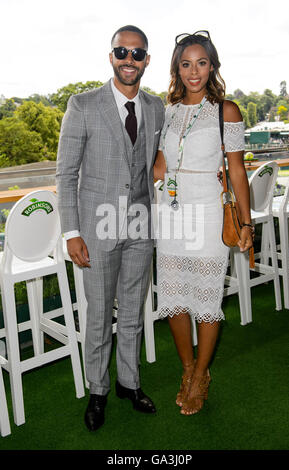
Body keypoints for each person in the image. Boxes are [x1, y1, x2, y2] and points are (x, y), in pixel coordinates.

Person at [56, 25, 165, 431]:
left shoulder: (155, 108)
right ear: (111, 56)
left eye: (137, 54)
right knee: (100, 315)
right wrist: (72, 233)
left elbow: (155, 159)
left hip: (140, 224)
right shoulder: (83, 104)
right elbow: (65, 175)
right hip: (96, 231)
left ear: (147, 60)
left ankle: (128, 383)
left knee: (133, 311)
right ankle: (98, 390)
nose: (129, 60)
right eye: (122, 52)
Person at [153, 31, 253, 416]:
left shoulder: (226, 110)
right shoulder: (169, 110)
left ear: (212, 66)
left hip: (210, 213)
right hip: (171, 213)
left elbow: (237, 171)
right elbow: (161, 166)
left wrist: (246, 223)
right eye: (185, 63)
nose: (194, 72)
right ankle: (188, 369)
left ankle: (202, 376)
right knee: (175, 298)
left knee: (206, 300)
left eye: (201, 63)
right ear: (177, 69)